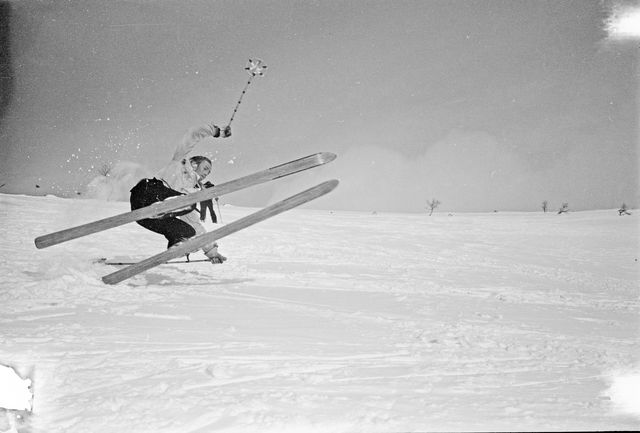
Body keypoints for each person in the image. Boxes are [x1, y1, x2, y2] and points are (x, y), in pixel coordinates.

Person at [129, 123, 231, 263]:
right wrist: (216, 131)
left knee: (189, 231)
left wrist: (212, 252)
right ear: (194, 164)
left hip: (146, 218)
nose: (207, 173)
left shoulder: (192, 192)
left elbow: (195, 224)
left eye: (209, 171)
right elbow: (193, 134)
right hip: (147, 193)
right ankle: (159, 208)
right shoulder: (180, 162)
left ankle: (177, 245)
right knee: (187, 202)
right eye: (206, 168)